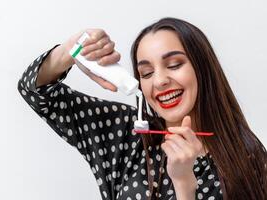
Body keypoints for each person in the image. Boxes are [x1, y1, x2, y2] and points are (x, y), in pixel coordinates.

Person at [17, 17, 267, 200]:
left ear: (203, 68)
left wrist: (184, 185)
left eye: (174, 64)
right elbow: (35, 91)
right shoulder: (124, 133)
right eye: (146, 72)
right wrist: (73, 49)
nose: (159, 81)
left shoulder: (246, 154)